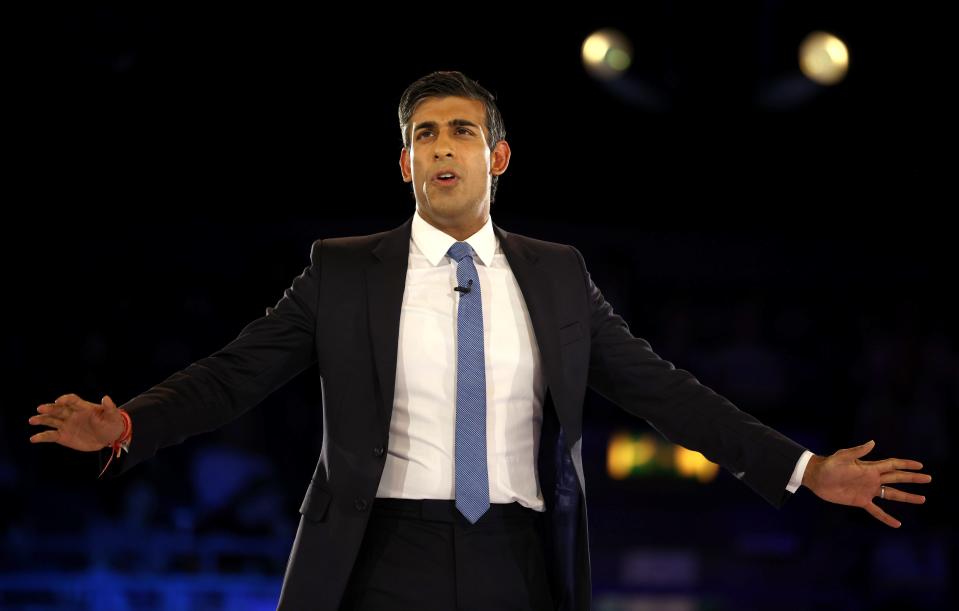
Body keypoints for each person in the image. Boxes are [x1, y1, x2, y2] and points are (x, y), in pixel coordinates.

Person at [28, 71, 932, 611]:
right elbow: (235, 374)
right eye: (424, 135)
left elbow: (665, 391)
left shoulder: (556, 273)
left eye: (462, 130)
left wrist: (804, 468)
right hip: (378, 553)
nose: (442, 147)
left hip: (520, 556)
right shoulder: (343, 271)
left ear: (497, 156)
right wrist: (130, 426)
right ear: (404, 162)